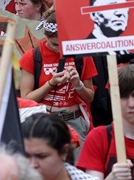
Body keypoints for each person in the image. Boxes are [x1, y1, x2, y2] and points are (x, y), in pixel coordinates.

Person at [20, 11, 97, 149]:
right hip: (44, 121)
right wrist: (51, 84)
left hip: (73, 120)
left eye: (65, 44)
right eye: (55, 45)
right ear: (45, 35)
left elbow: (90, 97)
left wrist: (78, 85)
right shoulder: (33, 57)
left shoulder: (81, 55)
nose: (60, 50)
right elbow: (26, 98)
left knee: (78, 168)